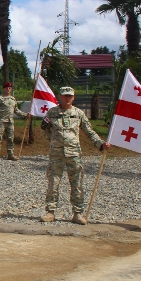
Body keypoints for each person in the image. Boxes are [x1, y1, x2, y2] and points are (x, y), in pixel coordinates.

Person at [40, 86, 109, 225]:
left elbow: (89, 132)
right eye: (65, 95)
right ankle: (50, 212)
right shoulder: (51, 113)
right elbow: (43, 129)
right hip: (56, 154)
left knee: (76, 184)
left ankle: (77, 213)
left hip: (74, 154)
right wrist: (53, 140)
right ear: (60, 96)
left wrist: (100, 144)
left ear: (73, 97)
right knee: (53, 183)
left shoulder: (79, 113)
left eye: (70, 96)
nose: (67, 98)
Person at [0, 82, 29, 160]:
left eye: (9, 88)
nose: (8, 89)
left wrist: (25, 115)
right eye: (6, 88)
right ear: (4, 89)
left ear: (11, 89)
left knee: (10, 138)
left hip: (10, 121)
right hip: (2, 121)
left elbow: (16, 110)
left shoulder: (13, 99)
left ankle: (10, 154)